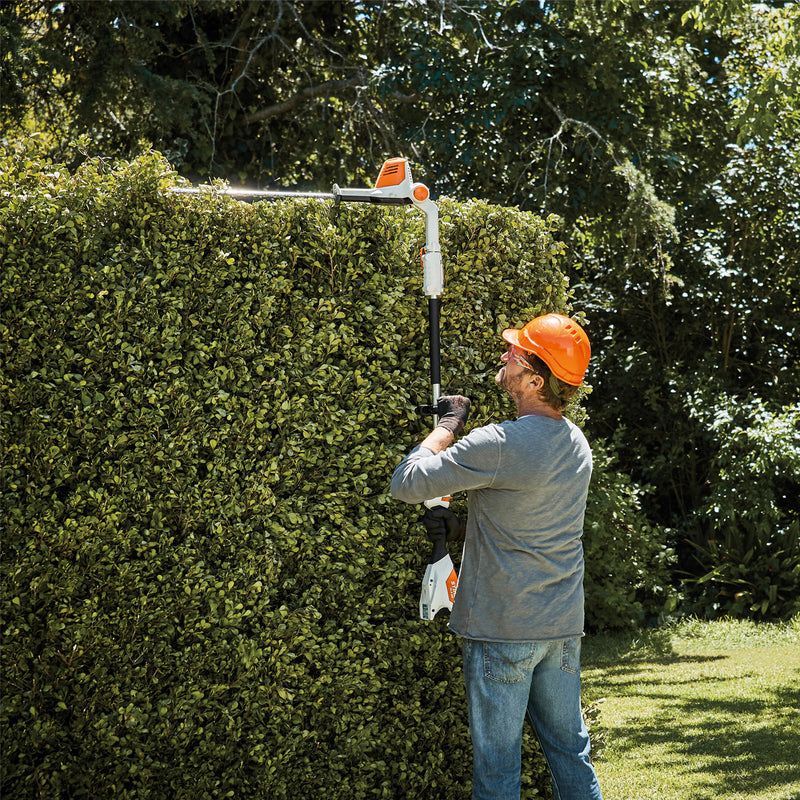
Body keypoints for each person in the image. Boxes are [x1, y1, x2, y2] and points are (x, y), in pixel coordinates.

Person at [390, 313, 602, 800]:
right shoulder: (576, 443)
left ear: (534, 377)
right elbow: (532, 522)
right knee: (571, 753)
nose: (504, 355)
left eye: (515, 352)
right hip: (561, 627)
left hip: (504, 628)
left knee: (498, 770)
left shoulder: (499, 442)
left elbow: (407, 483)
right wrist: (464, 527)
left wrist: (447, 426)